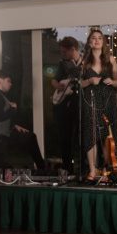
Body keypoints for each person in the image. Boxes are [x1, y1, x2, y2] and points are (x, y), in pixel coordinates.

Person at [0, 70, 46, 172]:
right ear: (0, 80)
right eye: (8, 81)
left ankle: (42, 168)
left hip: (3, 132)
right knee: (30, 138)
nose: (10, 84)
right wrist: (13, 108)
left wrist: (14, 125)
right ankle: (42, 168)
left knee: (30, 137)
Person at [80, 28, 117, 182]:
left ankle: (106, 170)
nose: (96, 40)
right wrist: (89, 81)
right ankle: (92, 170)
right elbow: (79, 84)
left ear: (103, 42)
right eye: (93, 38)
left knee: (106, 135)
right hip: (90, 101)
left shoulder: (110, 60)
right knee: (90, 134)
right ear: (90, 42)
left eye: (99, 38)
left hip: (108, 100)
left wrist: (113, 81)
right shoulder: (84, 62)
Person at [51, 36, 84, 174]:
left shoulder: (85, 62)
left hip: (81, 103)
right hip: (64, 105)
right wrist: (59, 85)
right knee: (65, 136)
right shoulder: (63, 64)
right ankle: (67, 168)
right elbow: (53, 80)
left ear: (73, 49)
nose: (63, 54)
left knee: (80, 136)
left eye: (65, 52)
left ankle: (81, 167)